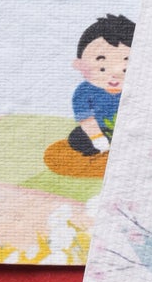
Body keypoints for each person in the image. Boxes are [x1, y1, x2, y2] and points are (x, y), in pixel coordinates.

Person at [43, 14, 134, 179]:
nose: (114, 75)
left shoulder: (136, 88)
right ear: (79, 65)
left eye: (125, 69)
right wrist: (97, 138)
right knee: (78, 138)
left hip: (130, 130)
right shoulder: (85, 92)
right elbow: (86, 119)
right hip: (100, 131)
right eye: (102, 69)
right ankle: (103, 156)